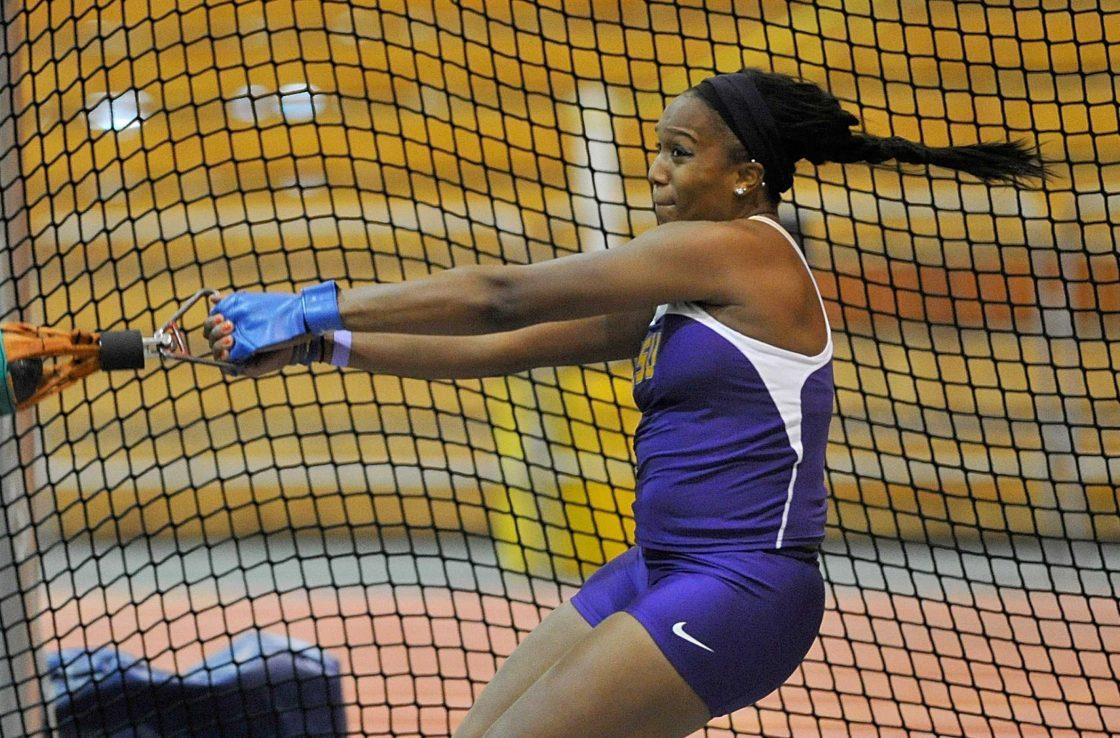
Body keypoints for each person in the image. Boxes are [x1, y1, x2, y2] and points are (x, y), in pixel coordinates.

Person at [203, 68, 1047, 737]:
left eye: (681, 153)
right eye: (658, 150)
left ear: (747, 176)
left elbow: (502, 296)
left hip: (741, 585)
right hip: (659, 568)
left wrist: (318, 302)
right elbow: (498, 349)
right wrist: (321, 347)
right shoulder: (687, 287)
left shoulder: (741, 256)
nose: (657, 171)